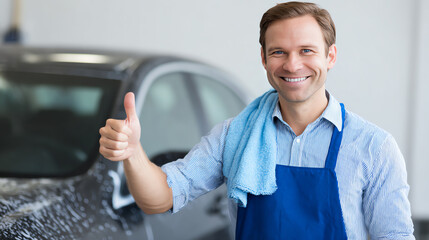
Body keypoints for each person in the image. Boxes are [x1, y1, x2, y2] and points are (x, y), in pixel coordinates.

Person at [99, 2, 415, 239]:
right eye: (278, 52)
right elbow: (161, 197)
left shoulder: (374, 147)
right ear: (263, 57)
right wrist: (132, 151)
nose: (292, 65)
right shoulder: (235, 136)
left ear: (330, 56)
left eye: (306, 50)